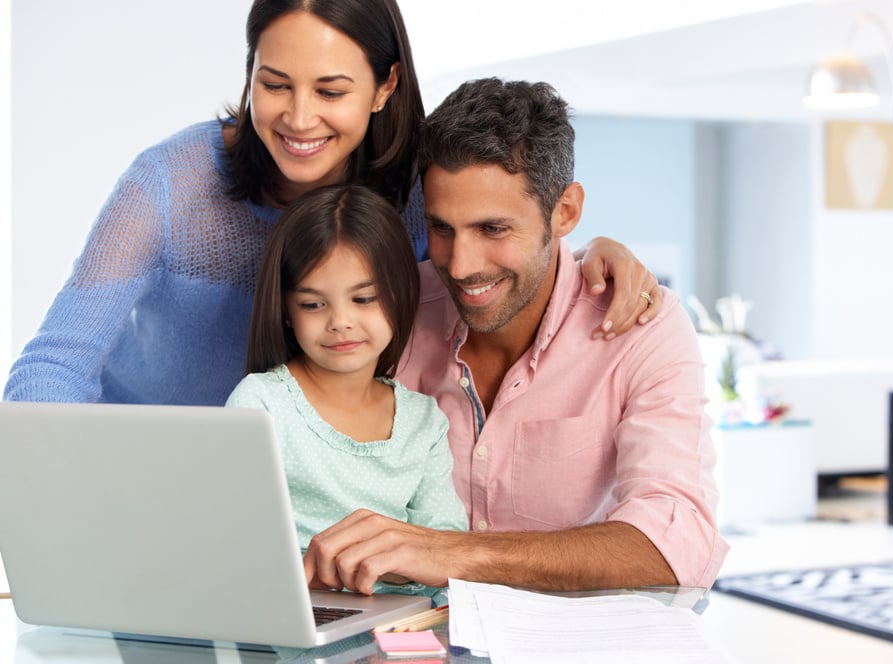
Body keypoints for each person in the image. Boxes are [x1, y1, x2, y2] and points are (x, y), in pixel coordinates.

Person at [3, 0, 661, 406]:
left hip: (299, 507)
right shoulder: (171, 182)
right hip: (141, 468)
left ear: (384, 87)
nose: (297, 118)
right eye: (274, 84)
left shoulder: (410, 196)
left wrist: (594, 253)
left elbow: (500, 236)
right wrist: (49, 486)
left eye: (331, 90)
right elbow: (56, 360)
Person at [302, 78, 729, 594]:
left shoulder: (642, 329)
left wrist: (448, 553)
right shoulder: (392, 308)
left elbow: (677, 543)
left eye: (493, 230)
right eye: (441, 228)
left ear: (565, 211)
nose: (460, 265)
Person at [226, 183, 466, 604]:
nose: (341, 322)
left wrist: (386, 563)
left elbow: (446, 548)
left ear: (401, 295)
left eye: (364, 298)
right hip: (292, 612)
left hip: (402, 617)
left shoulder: (423, 421)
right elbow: (231, 540)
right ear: (286, 311)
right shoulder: (261, 404)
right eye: (313, 305)